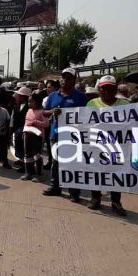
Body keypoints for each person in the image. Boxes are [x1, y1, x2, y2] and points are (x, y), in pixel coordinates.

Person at [85, 75, 130, 216]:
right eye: (104, 88)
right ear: (99, 89)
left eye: (110, 88)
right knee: (96, 172)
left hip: (117, 145)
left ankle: (116, 202)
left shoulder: (124, 104)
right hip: (97, 144)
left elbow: (132, 122)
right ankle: (95, 198)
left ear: (115, 89)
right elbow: (85, 123)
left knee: (116, 173)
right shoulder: (92, 103)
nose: (107, 91)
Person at [42, 68, 88, 201]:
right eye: (63, 78)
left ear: (74, 80)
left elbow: (88, 116)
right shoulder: (53, 96)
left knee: (73, 163)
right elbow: (44, 112)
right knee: (56, 163)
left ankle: (74, 191)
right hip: (56, 135)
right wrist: (51, 112)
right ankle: (55, 187)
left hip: (74, 136)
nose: (65, 80)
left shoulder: (81, 97)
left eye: (68, 78)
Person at [20, 93, 48, 181]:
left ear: (38, 102)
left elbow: (47, 124)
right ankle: (28, 173)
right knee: (27, 154)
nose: (29, 103)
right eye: (29, 101)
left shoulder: (42, 111)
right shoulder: (29, 110)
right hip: (27, 135)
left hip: (37, 136)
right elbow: (26, 122)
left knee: (37, 155)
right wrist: (23, 132)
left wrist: (36, 122)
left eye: (32, 101)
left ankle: (38, 174)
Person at [11, 86, 31, 171]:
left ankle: (25, 165)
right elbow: (13, 118)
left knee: (25, 148)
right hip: (17, 129)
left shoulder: (29, 107)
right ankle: (20, 159)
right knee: (17, 145)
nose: (17, 96)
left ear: (23, 97)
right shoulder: (16, 106)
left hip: (25, 130)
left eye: (19, 95)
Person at [42, 80, 59, 170]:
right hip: (46, 125)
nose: (47, 89)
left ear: (55, 88)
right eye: (47, 87)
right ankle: (50, 160)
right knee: (49, 144)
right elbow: (44, 111)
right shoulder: (46, 99)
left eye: (49, 87)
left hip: (55, 126)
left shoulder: (58, 98)